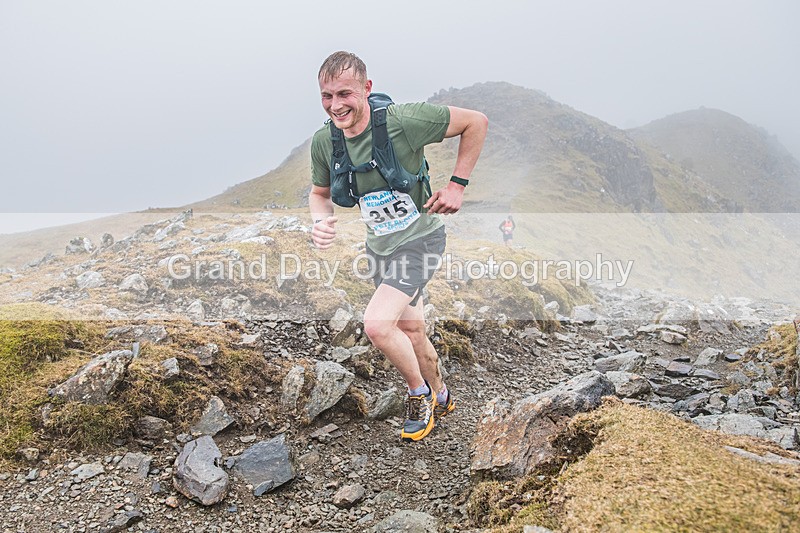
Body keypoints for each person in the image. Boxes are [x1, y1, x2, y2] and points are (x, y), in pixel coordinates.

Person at [308, 51, 488, 441]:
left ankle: (418, 394)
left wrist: (457, 185)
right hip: (380, 249)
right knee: (412, 329)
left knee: (376, 325)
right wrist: (320, 220)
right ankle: (442, 393)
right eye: (326, 96)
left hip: (421, 240)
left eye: (345, 93)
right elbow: (319, 193)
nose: (336, 105)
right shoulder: (325, 141)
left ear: (366, 89)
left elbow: (476, 122)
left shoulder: (404, 122)